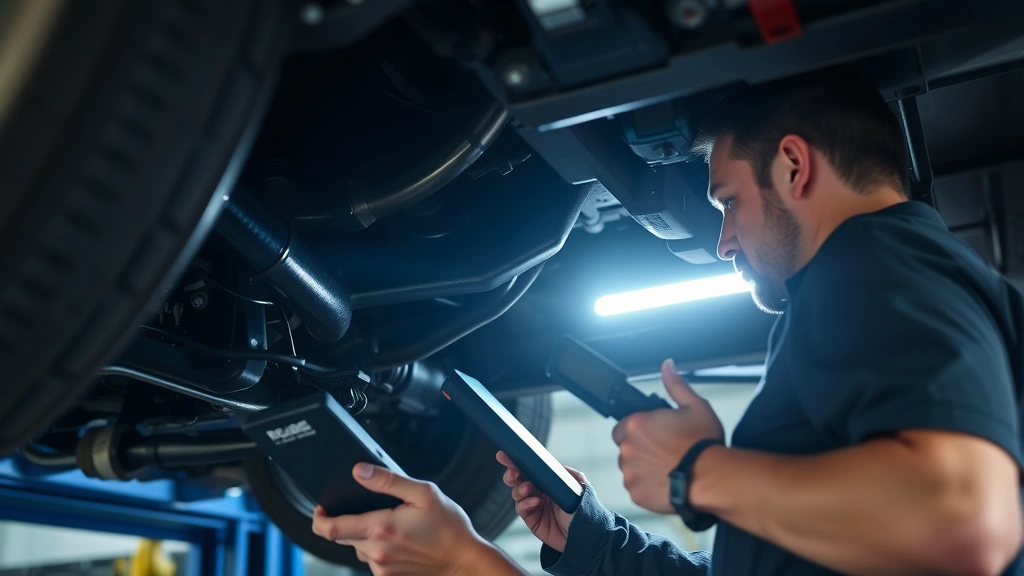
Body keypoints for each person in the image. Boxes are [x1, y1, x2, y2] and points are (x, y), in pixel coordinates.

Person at [311, 68, 1024, 576]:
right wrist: (589, 541)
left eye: (727, 202)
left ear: (794, 167)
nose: (723, 241)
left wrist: (695, 472)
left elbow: (963, 523)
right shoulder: (881, 279)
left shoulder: (874, 256)